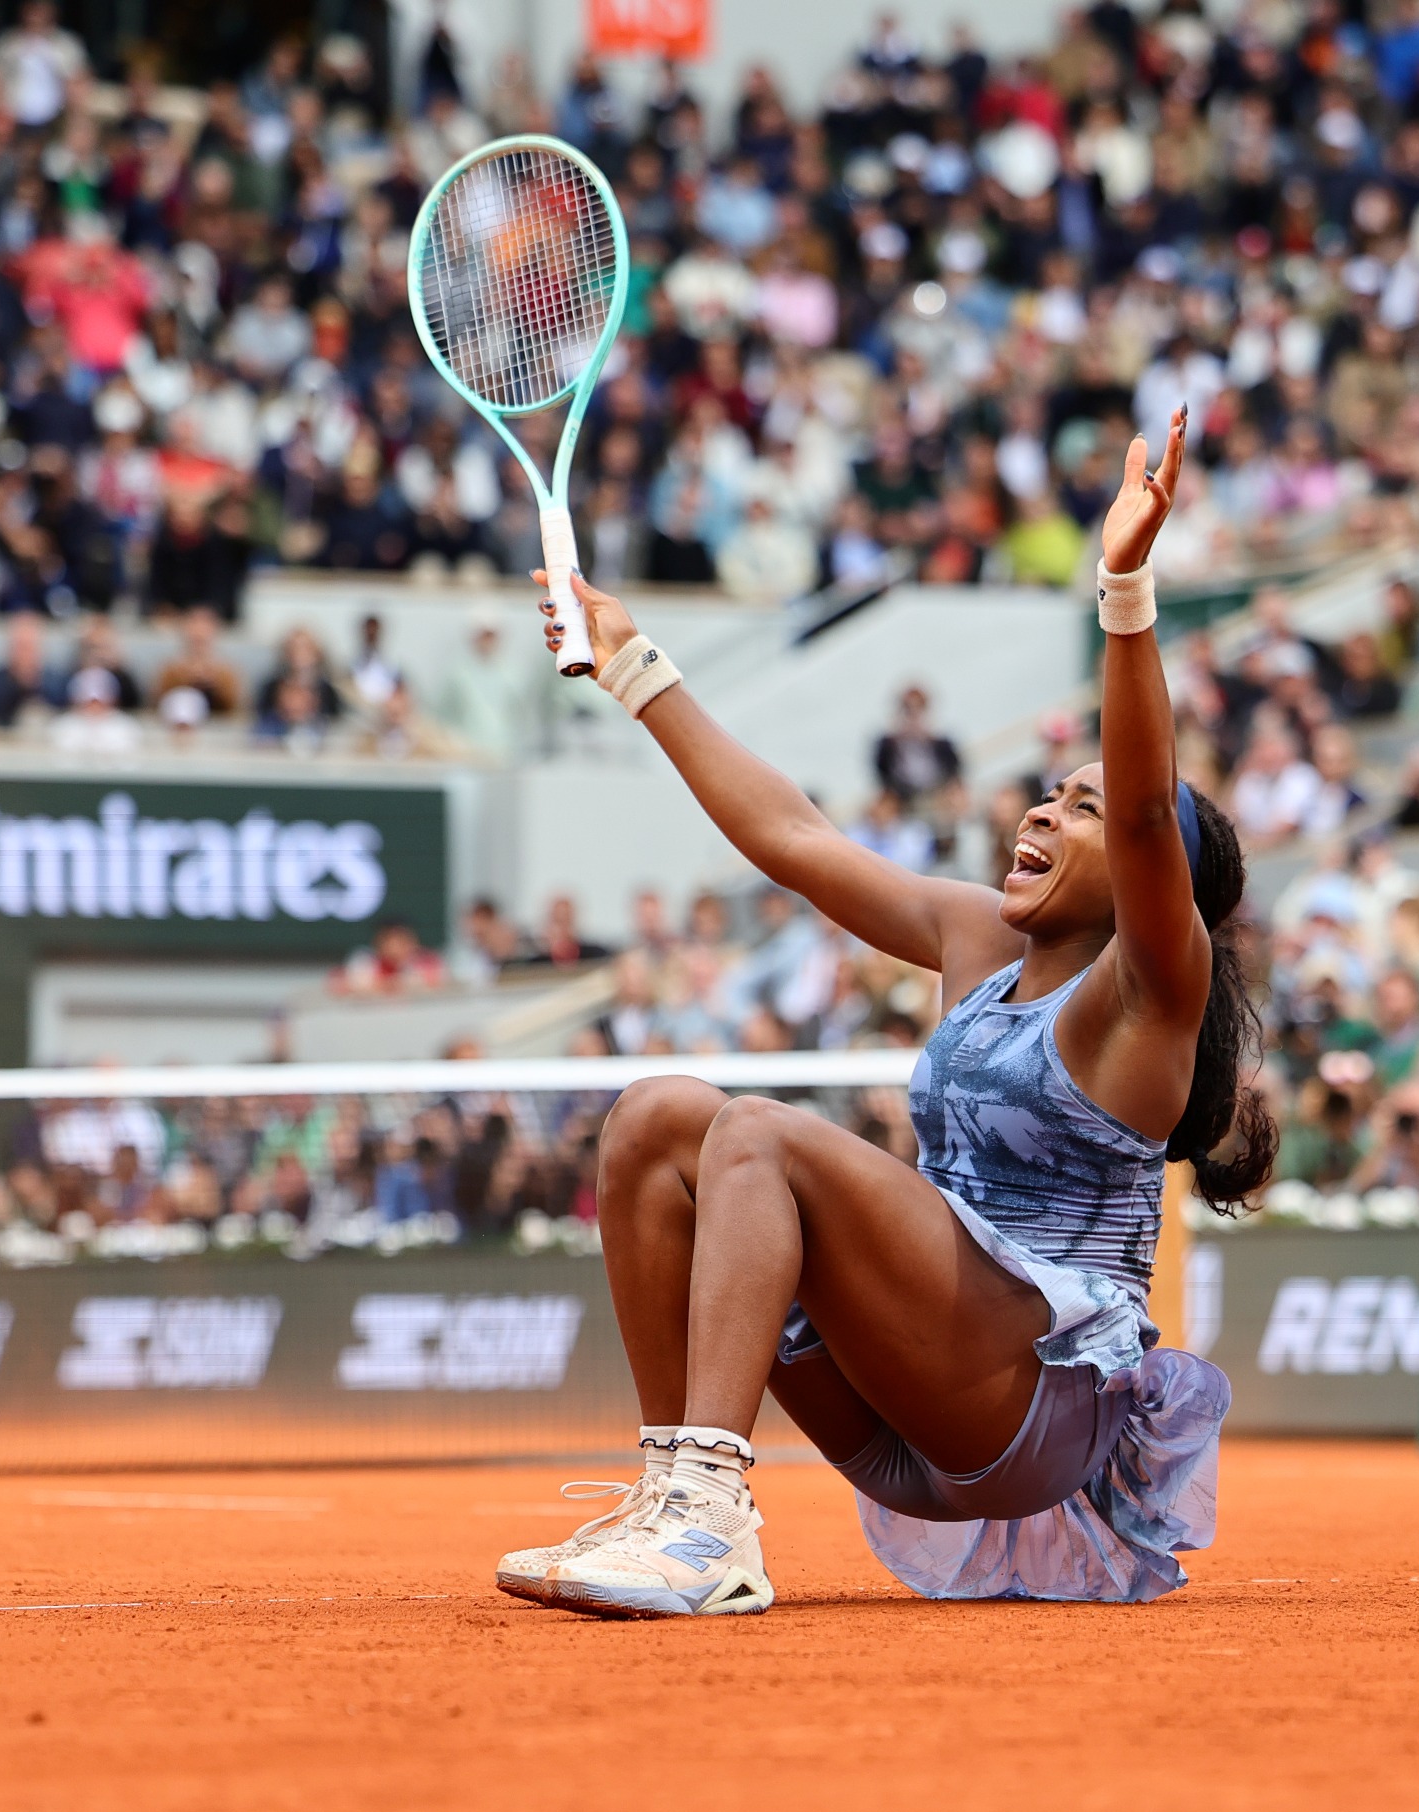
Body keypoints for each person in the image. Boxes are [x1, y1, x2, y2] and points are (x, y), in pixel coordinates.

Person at [497, 411, 1261, 1618]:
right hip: (904, 1407)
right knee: (655, 1118)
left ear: (1149, 873)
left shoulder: (1153, 992)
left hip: (1029, 1409)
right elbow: (796, 839)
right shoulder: (973, 938)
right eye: (1049, 796)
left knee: (758, 1130)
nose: (1045, 815)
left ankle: (709, 1517)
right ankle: (667, 1498)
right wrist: (635, 666)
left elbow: (1150, 816)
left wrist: (1123, 587)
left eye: (1081, 808)